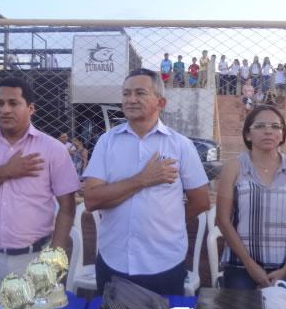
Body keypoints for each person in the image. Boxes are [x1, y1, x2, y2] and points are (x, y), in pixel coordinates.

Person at [83, 68, 210, 295]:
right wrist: (142, 180)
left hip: (164, 262)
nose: (131, 99)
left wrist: (167, 223)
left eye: (140, 93)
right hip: (114, 260)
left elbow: (200, 201)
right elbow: (91, 199)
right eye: (126, 93)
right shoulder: (107, 142)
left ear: (160, 102)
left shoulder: (180, 146)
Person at [0, 77, 80, 286]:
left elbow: (67, 207)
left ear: (30, 108)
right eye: (0, 103)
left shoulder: (52, 149)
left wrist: (54, 256)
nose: (5, 110)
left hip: (35, 259)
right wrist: (6, 171)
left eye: (13, 103)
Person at [215, 105, 286, 289]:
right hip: (240, 267)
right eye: (260, 126)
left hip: (285, 269)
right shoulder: (233, 168)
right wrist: (250, 265)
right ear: (248, 134)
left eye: (275, 126)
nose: (268, 131)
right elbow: (223, 220)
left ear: (282, 135)